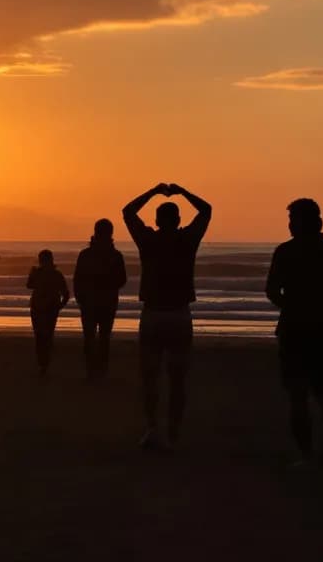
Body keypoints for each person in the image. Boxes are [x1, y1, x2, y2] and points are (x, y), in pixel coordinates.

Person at [122, 182, 212, 450]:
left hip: (153, 314)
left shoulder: (148, 239)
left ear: (158, 220)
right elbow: (206, 210)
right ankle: (173, 430)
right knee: (177, 377)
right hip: (179, 315)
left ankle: (153, 428)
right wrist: (183, 192)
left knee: (150, 375)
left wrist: (152, 192)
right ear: (179, 220)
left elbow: (127, 211)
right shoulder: (187, 239)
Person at [265, 198, 323, 466]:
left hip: (295, 328)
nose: (290, 225)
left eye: (293, 220)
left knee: (298, 391)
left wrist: (291, 305)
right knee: (322, 388)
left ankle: (308, 453)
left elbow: (271, 290)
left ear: (302, 222)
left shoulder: (285, 252)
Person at [73, 219, 127, 380]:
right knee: (103, 337)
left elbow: (77, 279)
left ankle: (92, 370)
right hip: (106, 302)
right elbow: (122, 280)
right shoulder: (115, 255)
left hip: (91, 301)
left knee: (90, 336)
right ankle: (100, 370)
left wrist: (80, 297)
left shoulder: (86, 255)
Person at [26, 250, 70, 377]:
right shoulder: (56, 274)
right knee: (45, 336)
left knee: (41, 336)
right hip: (46, 308)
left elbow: (29, 285)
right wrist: (60, 306)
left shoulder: (43, 274)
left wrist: (59, 306)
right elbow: (66, 294)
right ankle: (44, 363)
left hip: (42, 308)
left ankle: (43, 363)